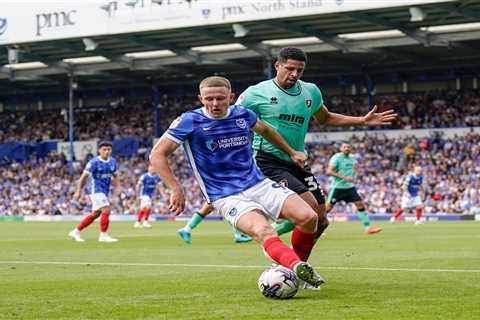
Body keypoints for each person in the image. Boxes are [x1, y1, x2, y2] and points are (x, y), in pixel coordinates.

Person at [150, 76, 325, 288]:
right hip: (225, 195)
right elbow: (158, 154)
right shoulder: (189, 121)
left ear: (231, 97)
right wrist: (175, 188)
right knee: (264, 231)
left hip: (257, 183)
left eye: (220, 98)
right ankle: (296, 268)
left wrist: (291, 152)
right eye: (209, 99)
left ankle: (293, 265)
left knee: (309, 217)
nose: (215, 104)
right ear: (200, 98)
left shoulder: (242, 114)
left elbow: (267, 130)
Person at [235, 46, 396, 247]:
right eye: (290, 68)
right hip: (268, 159)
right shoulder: (256, 93)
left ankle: (295, 263)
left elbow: (325, 118)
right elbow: (233, 119)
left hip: (298, 161)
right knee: (308, 210)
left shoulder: (310, 91)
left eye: (299, 70)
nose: (294, 74)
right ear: (277, 66)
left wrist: (362, 120)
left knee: (321, 221)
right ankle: (289, 262)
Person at [325, 143, 383, 234]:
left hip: (350, 187)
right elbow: (329, 171)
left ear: (351, 149)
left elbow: (355, 168)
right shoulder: (336, 157)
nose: (347, 148)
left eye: (348, 147)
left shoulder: (353, 158)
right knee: (327, 208)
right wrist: (345, 178)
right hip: (337, 187)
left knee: (360, 205)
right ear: (341, 148)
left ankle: (368, 228)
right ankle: (314, 228)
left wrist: (355, 176)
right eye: (344, 147)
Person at [68, 140, 120, 242]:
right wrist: (78, 191)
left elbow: (116, 175)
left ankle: (76, 231)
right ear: (99, 150)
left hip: (104, 190)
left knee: (96, 214)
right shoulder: (93, 162)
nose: (107, 151)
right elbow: (83, 178)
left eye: (109, 149)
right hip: (95, 190)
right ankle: (103, 235)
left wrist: (118, 187)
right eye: (104, 149)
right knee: (106, 209)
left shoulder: (113, 161)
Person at [177, 203, 252, 244]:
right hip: (218, 186)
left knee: (207, 208)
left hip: (217, 186)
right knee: (233, 206)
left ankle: (186, 229)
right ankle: (238, 235)